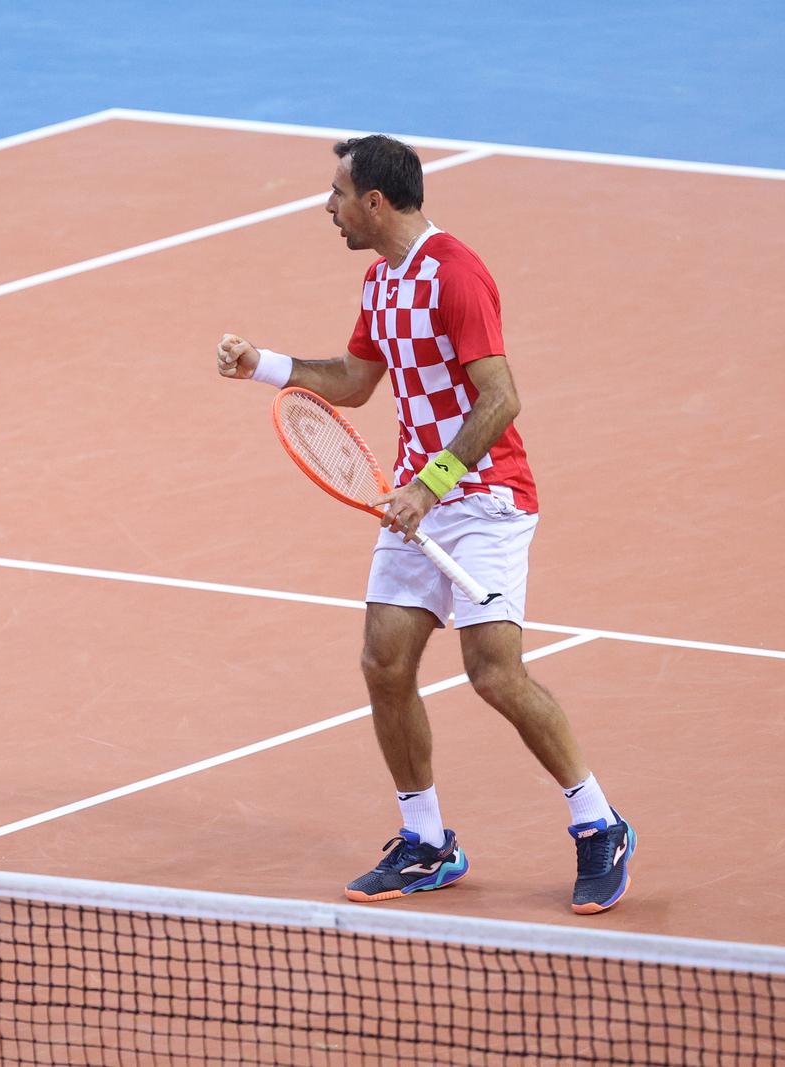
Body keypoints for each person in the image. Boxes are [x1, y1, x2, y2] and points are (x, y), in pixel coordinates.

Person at [216, 135, 633, 914]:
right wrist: (263, 364)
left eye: (337, 193)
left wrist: (431, 484)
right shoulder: (381, 282)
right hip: (419, 503)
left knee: (494, 672)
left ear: (374, 201)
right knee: (384, 659)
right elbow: (355, 380)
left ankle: (598, 822)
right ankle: (427, 840)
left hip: (486, 500)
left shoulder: (455, 272)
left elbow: (501, 397)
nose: (327, 206)